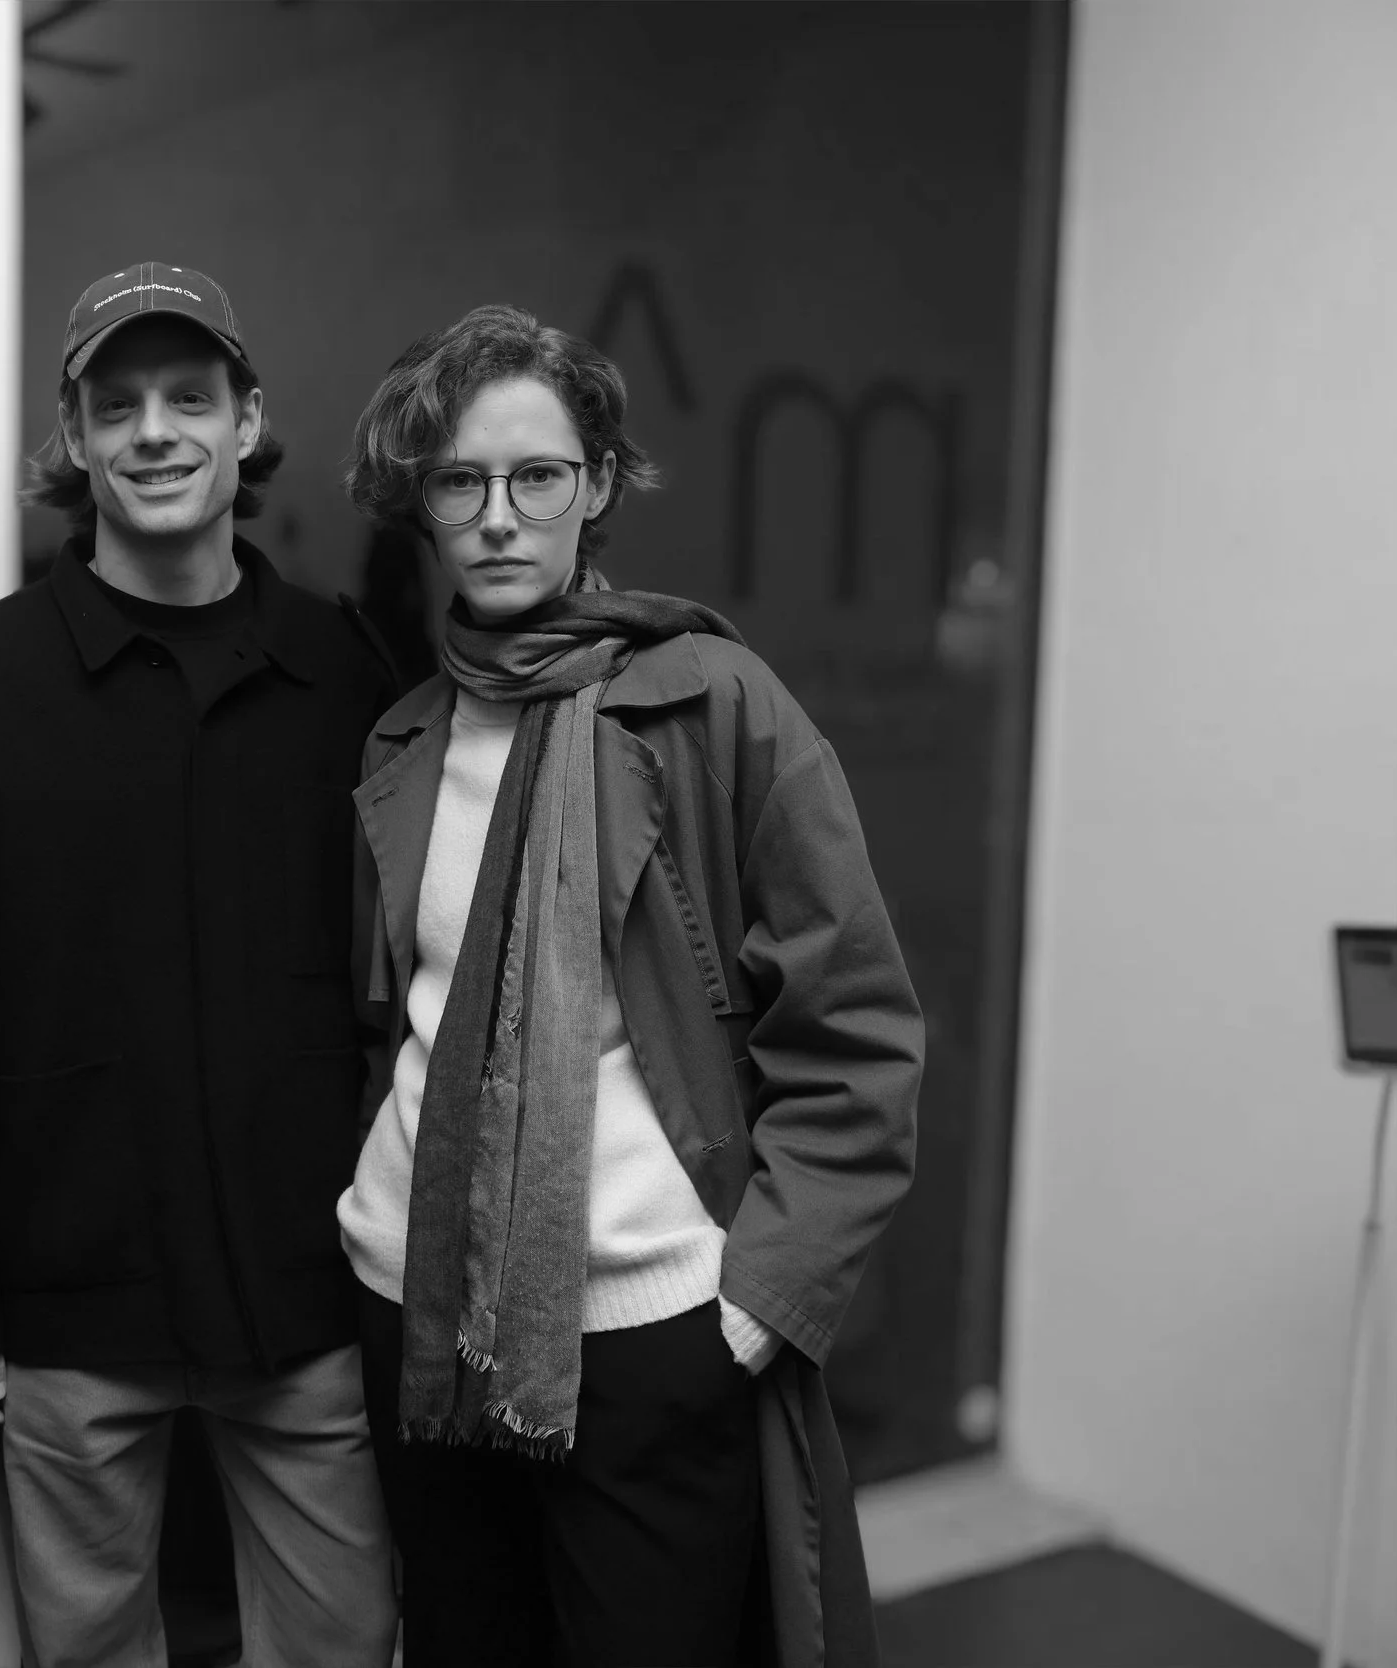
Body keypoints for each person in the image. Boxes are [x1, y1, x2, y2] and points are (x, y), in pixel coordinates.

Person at [333, 304, 923, 1668]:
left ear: (595, 484)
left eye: (537, 476)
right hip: (416, 1308)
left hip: (657, 1325)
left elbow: (859, 1026)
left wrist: (760, 1301)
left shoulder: (715, 702)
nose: (499, 516)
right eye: (461, 482)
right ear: (423, 503)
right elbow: (382, 1019)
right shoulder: (406, 734)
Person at [0, 261, 401, 1667]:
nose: (155, 432)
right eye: (116, 406)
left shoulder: (342, 675)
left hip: (304, 1287)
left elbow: (395, 986)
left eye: (190, 397)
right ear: (72, 441)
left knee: (344, 1648)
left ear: (249, 422)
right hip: (70, 1294)